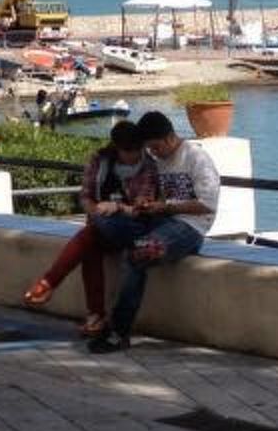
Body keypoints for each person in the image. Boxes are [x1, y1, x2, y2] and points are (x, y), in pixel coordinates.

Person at [88, 110, 222, 354]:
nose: (153, 153)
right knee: (103, 220)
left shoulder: (196, 157)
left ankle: (118, 331)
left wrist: (166, 206)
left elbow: (208, 204)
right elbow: (161, 197)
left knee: (136, 255)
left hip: (189, 228)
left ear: (170, 137)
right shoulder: (159, 161)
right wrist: (146, 203)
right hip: (161, 220)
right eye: (149, 148)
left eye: (155, 147)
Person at [21, 120, 156, 336]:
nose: (133, 155)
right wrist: (97, 212)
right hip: (101, 224)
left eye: (137, 150)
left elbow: (142, 209)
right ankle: (95, 317)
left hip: (132, 226)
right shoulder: (99, 161)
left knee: (91, 236)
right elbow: (85, 196)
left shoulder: (148, 166)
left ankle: (50, 283)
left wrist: (117, 207)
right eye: (127, 151)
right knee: (91, 244)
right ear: (116, 148)